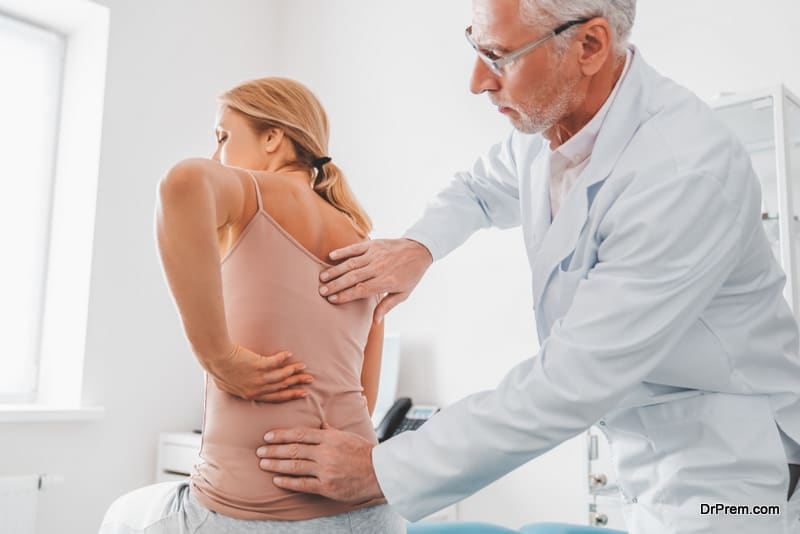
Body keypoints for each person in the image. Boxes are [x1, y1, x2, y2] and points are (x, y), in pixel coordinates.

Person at [253, 1, 800, 533]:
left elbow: (572, 379)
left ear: (589, 45)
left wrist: (381, 470)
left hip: (735, 474)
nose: (476, 80)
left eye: (498, 54)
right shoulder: (556, 129)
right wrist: (418, 247)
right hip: (650, 450)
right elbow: (476, 190)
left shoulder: (683, 171)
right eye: (475, 44)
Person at [99, 77, 406, 533]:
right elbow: (365, 393)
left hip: (246, 517)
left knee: (120, 515)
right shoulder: (362, 245)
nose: (215, 153)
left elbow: (180, 182)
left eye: (223, 136)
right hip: (370, 516)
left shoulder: (255, 194)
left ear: (272, 138)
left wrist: (218, 357)